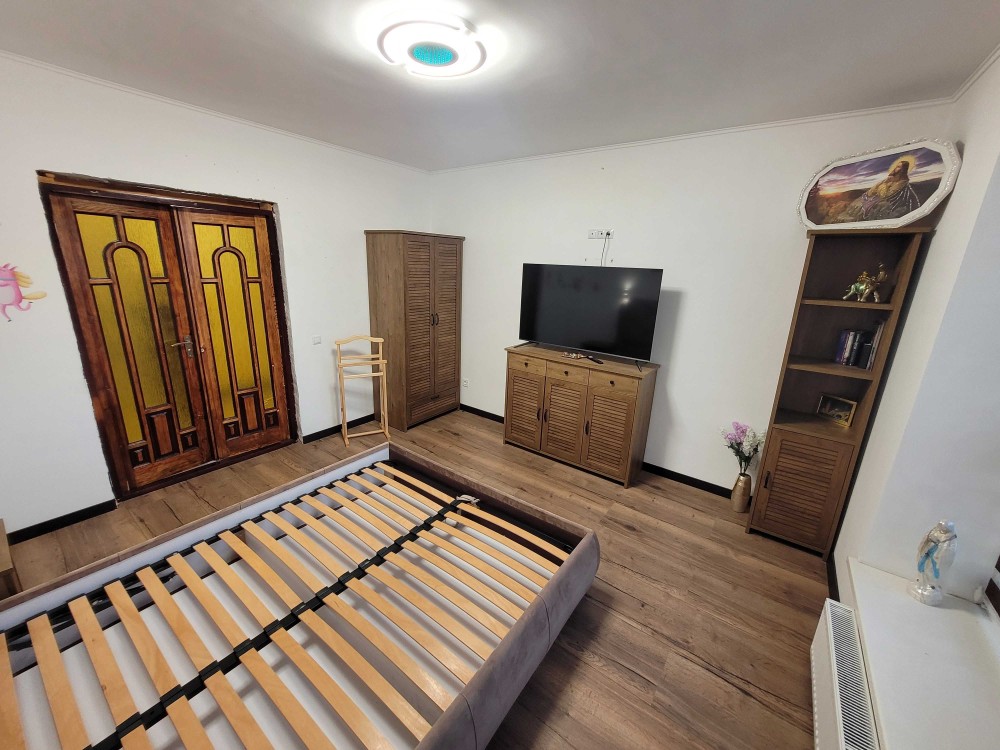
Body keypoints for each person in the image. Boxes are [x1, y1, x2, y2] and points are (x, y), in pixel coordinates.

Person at [837, 156, 920, 222]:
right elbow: (874, 189)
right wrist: (884, 183)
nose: (896, 168)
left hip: (888, 199)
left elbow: (888, 195)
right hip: (878, 196)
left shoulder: (902, 181)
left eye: (898, 167)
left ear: (903, 169)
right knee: (860, 201)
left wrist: (885, 185)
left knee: (867, 206)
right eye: (896, 166)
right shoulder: (891, 178)